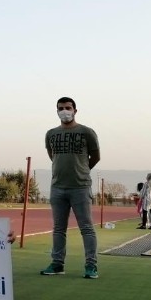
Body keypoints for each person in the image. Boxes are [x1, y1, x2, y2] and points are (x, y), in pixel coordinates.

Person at [42, 97, 100, 279]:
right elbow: (53, 156)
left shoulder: (86, 132)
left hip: (80, 187)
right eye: (61, 108)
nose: (65, 111)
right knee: (59, 228)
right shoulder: (51, 134)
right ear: (57, 111)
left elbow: (95, 156)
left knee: (86, 228)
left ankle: (91, 266)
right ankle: (57, 264)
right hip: (58, 187)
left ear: (75, 110)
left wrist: (82, 171)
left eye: (68, 108)